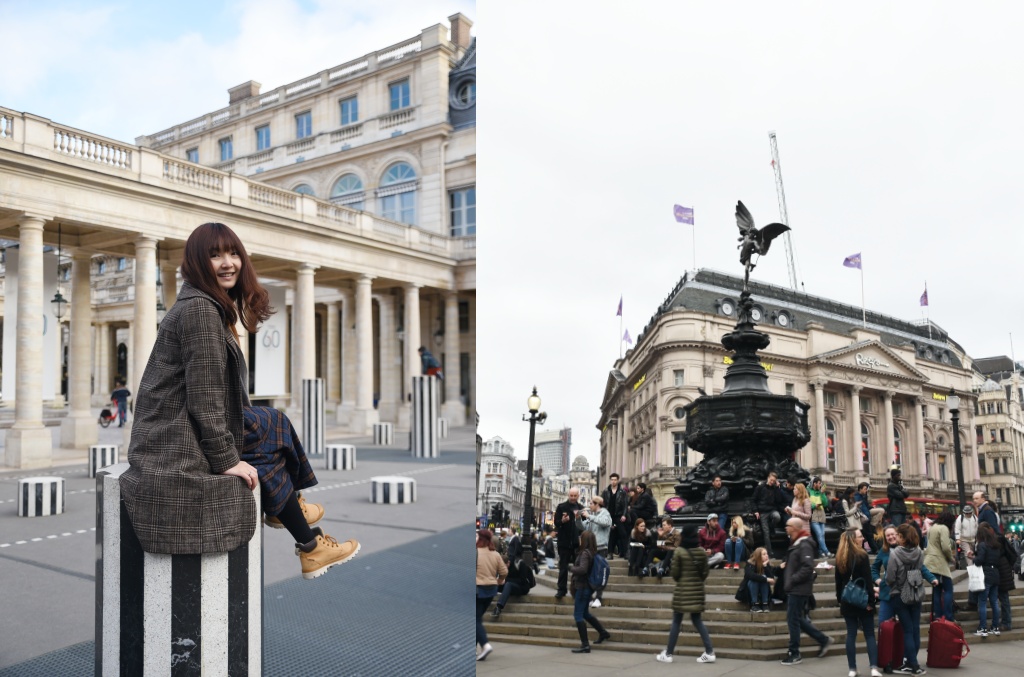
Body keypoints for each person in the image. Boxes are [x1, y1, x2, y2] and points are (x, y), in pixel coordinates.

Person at [119, 223, 358, 579]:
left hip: (178, 423)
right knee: (263, 445)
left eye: (233, 253)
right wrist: (226, 459)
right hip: (174, 434)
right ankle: (305, 537)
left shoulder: (208, 305)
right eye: (215, 255)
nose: (227, 262)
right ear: (198, 263)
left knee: (271, 422)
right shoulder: (201, 310)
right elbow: (204, 395)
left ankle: (295, 523)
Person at [656, 524, 717, 664]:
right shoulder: (701, 552)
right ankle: (709, 652)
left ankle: (668, 653)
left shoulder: (679, 552)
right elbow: (705, 573)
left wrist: (682, 580)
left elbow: (675, 573)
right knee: (697, 620)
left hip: (682, 592)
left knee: (676, 621)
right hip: (697, 591)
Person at [884, 523, 936, 675]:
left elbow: (890, 577)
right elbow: (920, 569)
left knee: (907, 630)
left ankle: (913, 665)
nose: (897, 538)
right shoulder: (919, 551)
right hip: (915, 591)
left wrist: (889, 581)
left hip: (899, 594)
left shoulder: (895, 553)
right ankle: (912, 662)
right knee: (915, 629)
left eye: (899, 535)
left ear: (902, 537)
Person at [781, 517, 833, 665]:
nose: (786, 528)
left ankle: (795, 652)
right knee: (797, 618)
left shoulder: (804, 544)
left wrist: (792, 580)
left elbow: (807, 566)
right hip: (796, 588)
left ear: (795, 528)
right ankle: (823, 639)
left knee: (793, 620)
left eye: (788, 525)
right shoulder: (797, 544)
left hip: (799, 589)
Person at [834, 529, 881, 677]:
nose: (863, 539)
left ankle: (852, 669)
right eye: (860, 537)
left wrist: (840, 600)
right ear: (854, 540)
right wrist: (871, 602)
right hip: (862, 600)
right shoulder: (862, 555)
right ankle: (873, 667)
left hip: (847, 600)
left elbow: (838, 583)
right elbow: (867, 580)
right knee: (869, 634)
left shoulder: (840, 557)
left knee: (851, 634)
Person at [568, 531, 611, 653]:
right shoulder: (592, 552)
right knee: (585, 613)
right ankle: (603, 632)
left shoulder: (585, 553)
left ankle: (585, 645)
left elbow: (582, 569)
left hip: (582, 587)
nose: (579, 540)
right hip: (587, 587)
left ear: (584, 540)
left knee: (578, 615)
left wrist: (570, 568)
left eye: (581, 538)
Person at [476, 529, 507, 661]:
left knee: (474, 619)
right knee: (477, 618)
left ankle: (485, 644)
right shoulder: (495, 554)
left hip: (478, 589)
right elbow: (504, 571)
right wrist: (498, 581)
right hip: (491, 590)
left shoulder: (475, 552)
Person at [922, 511, 956, 622]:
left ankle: (937, 616)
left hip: (929, 561)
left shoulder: (933, 527)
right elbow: (946, 547)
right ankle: (948, 617)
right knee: (948, 589)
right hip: (939, 561)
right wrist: (951, 558)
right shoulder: (944, 528)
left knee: (936, 590)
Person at [972, 521, 1002, 637]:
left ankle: (983, 628)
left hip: (985, 574)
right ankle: (995, 627)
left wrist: (973, 558)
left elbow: (979, 561)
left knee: (983, 602)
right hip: (995, 574)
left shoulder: (982, 545)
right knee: (994, 602)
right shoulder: (995, 545)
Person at [582, 496, 613, 607]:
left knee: (599, 573)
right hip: (591, 548)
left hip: (601, 547)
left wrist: (589, 516)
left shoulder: (605, 513)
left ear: (597, 504)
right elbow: (583, 527)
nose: (589, 505)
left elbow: (605, 523)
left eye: (591, 503)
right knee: (588, 572)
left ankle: (598, 598)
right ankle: (590, 597)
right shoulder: (593, 516)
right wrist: (577, 519)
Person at [554, 487, 584, 599]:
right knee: (563, 567)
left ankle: (576, 589)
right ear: (568, 495)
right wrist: (562, 521)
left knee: (578, 568)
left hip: (577, 543)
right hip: (564, 542)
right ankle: (561, 589)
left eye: (574, 496)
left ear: (578, 496)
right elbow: (556, 523)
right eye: (571, 495)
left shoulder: (581, 508)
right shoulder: (561, 507)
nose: (572, 498)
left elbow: (585, 526)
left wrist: (580, 519)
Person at [753, 471, 787, 559]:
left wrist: (778, 488)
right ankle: (769, 552)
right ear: (768, 478)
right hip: (763, 511)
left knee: (777, 517)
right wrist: (756, 511)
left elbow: (779, 500)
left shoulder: (775, 488)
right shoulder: (760, 487)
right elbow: (754, 499)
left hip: (772, 510)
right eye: (771, 480)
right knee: (766, 533)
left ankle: (771, 527)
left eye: (774, 481)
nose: (772, 482)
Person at [491, 552, 535, 619]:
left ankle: (498, 607)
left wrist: (506, 580)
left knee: (508, 584)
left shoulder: (520, 564)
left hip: (522, 587)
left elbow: (522, 581)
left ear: (508, 563)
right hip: (508, 586)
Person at [601, 472, 630, 559]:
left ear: (617, 481)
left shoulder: (622, 492)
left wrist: (624, 515)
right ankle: (610, 553)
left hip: (619, 515)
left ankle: (626, 552)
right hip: (609, 516)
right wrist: (604, 514)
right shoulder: (606, 492)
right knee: (611, 535)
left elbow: (625, 504)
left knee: (623, 534)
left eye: (615, 480)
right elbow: (603, 504)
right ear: (610, 481)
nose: (613, 481)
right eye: (612, 480)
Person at [743, 546, 776, 612]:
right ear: (758, 556)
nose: (766, 556)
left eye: (767, 554)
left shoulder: (767, 565)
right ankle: (754, 604)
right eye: (764, 554)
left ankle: (765, 604)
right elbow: (750, 575)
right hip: (750, 588)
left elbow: (771, 578)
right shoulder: (750, 563)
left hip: (764, 588)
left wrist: (765, 567)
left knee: (763, 578)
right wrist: (766, 579)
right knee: (757, 579)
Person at [996, 531, 1016, 632]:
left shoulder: (999, 556)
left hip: (1002, 580)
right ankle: (1006, 622)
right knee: (1005, 600)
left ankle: (1006, 623)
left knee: (1004, 600)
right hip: (1005, 579)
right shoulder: (1004, 556)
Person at [808, 477, 832, 558]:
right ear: (814, 484)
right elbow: (807, 504)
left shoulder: (821, 492)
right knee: (819, 534)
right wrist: (814, 505)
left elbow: (825, 504)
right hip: (814, 515)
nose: (820, 485)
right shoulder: (809, 491)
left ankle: (821, 552)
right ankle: (826, 551)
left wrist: (822, 493)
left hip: (821, 514)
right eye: (818, 483)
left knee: (822, 534)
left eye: (820, 483)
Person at [858, 482, 884, 550]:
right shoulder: (857, 497)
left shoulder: (864, 496)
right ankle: (874, 549)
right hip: (863, 517)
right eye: (865, 489)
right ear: (860, 489)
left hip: (866, 516)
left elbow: (866, 506)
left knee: (867, 535)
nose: (866, 490)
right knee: (867, 534)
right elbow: (860, 508)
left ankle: (874, 548)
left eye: (866, 489)